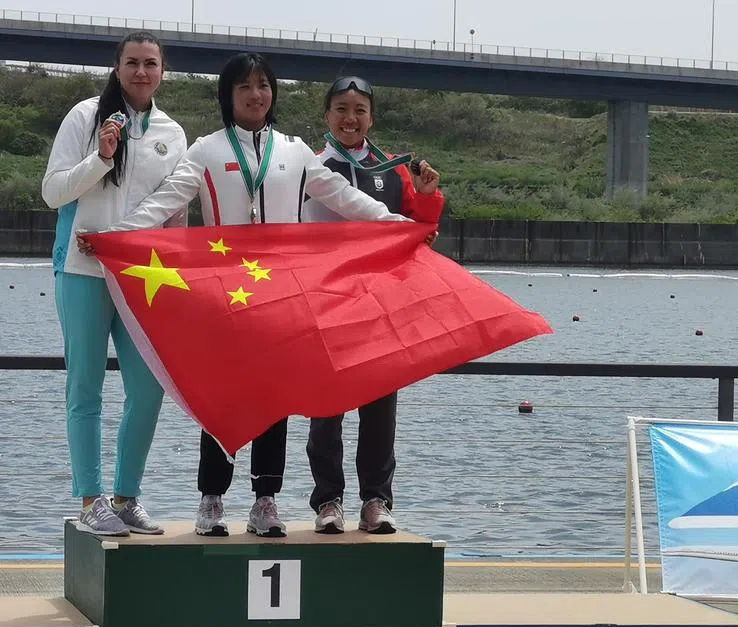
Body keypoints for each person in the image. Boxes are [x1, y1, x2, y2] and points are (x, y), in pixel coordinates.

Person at [84, 53, 414, 538]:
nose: (256, 95)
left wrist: (399, 225)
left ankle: (266, 500)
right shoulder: (206, 150)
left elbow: (347, 198)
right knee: (223, 395)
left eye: (263, 86)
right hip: (224, 296)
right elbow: (165, 202)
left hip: (281, 296)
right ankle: (212, 499)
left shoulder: (296, 151)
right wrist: (116, 235)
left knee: (273, 398)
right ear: (228, 96)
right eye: (245, 87)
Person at [42, 31, 188, 537]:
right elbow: (52, 191)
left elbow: (174, 212)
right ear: (117, 66)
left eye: (151, 63)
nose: (141, 72)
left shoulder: (173, 132)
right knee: (85, 387)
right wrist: (101, 158)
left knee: (148, 390)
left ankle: (127, 497)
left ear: (163, 70)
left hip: (144, 278)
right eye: (133, 63)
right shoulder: (85, 117)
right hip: (82, 272)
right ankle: (90, 499)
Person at [302, 75, 444, 534]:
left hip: (381, 305)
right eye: (341, 109)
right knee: (326, 406)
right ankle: (328, 501)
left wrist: (426, 198)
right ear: (327, 116)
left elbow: (419, 234)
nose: (350, 118)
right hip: (326, 301)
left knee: (380, 408)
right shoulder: (307, 166)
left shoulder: (393, 170)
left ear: (371, 118)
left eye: (360, 110)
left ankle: (377, 499)